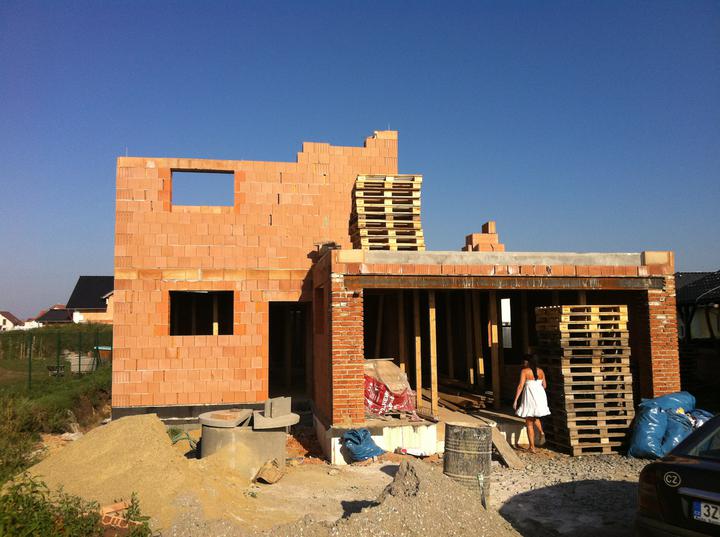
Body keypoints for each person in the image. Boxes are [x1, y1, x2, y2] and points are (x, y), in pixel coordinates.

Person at [513, 354, 550, 453]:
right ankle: (541, 431)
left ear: (528, 362)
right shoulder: (541, 371)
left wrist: (516, 400)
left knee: (529, 422)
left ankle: (532, 447)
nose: (523, 363)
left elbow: (520, 386)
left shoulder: (524, 371)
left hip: (530, 396)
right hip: (540, 396)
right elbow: (545, 385)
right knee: (535, 416)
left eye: (524, 361)